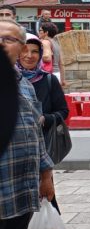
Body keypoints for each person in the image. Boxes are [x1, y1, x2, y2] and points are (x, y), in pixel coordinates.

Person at [0, 20, 54, 229]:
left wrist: (46, 175)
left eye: (8, 39)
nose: (1, 42)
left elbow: (35, 133)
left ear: (21, 48)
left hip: (22, 188)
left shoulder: (24, 85)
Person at [17, 33, 68, 214]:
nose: (29, 56)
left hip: (41, 147)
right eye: (24, 50)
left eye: (35, 52)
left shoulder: (48, 80)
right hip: (14, 149)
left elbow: (63, 111)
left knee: (45, 196)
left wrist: (46, 119)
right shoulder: (9, 80)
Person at [39, 22, 65, 88]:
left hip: (48, 74)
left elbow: (47, 58)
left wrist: (37, 56)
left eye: (40, 30)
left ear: (46, 32)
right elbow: (61, 63)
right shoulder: (56, 44)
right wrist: (62, 79)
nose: (38, 32)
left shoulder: (45, 42)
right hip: (57, 74)